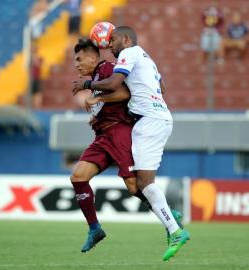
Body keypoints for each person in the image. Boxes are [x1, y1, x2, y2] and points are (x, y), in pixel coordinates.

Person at [72, 26, 190, 261]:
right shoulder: (142, 59)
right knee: (78, 177)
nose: (111, 46)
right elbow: (160, 87)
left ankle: (172, 222)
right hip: (107, 134)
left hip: (123, 131)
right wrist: (97, 110)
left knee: (137, 185)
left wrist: (91, 92)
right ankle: (95, 228)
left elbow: (121, 90)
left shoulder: (111, 65)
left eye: (113, 40)